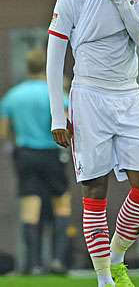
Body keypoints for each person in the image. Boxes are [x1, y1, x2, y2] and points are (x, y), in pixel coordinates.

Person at [46, 0, 139, 286]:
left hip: (127, 95)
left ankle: (118, 256)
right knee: (94, 189)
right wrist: (56, 113)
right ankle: (104, 280)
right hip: (88, 95)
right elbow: (55, 55)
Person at [0, 49, 72, 275]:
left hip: (25, 155)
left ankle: (32, 264)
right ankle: (58, 260)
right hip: (52, 153)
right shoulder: (56, 93)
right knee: (61, 204)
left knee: (30, 207)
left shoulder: (12, 96)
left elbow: (3, 132)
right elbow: (69, 123)